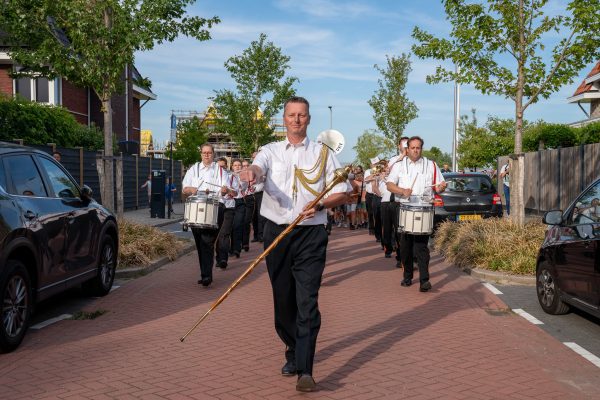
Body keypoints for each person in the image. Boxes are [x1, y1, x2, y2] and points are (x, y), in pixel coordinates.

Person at [239, 96, 350, 392]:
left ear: (309, 119)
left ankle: (305, 369)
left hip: (311, 235)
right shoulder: (270, 151)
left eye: (302, 115)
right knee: (283, 301)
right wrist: (251, 172)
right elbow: (258, 168)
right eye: (291, 115)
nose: (296, 120)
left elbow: (343, 192)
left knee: (307, 301)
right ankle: (291, 347)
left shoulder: (323, 153)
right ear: (284, 119)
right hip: (276, 232)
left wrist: (322, 205)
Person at [387, 136, 446, 292]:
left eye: (418, 148)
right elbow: (389, 185)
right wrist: (402, 191)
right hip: (405, 208)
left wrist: (441, 188)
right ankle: (407, 276)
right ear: (407, 149)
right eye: (412, 148)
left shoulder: (431, 165)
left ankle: (424, 281)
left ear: (421, 149)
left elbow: (439, 186)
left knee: (421, 247)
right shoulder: (399, 165)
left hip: (424, 208)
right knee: (405, 248)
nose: (415, 150)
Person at [182, 143, 236, 287]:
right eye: (204, 152)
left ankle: (207, 276)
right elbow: (184, 189)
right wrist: (190, 189)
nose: (206, 155)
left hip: (216, 208)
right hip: (195, 209)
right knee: (200, 243)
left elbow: (227, 189)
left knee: (207, 241)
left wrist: (224, 190)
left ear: (213, 154)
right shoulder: (193, 169)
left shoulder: (220, 171)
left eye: (209, 153)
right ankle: (205, 273)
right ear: (201, 154)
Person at [229, 159, 246, 258]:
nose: (237, 167)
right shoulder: (228, 176)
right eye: (235, 165)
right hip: (230, 202)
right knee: (230, 226)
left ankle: (237, 249)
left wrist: (239, 177)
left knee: (238, 225)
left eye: (239, 165)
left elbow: (243, 187)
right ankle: (230, 248)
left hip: (240, 202)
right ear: (232, 167)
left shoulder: (244, 177)